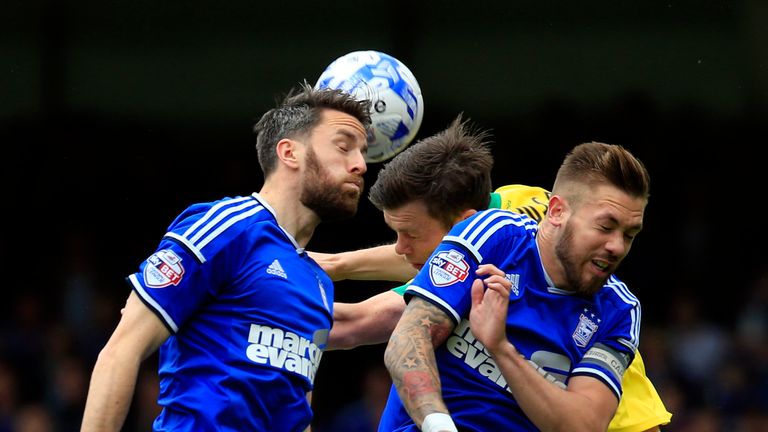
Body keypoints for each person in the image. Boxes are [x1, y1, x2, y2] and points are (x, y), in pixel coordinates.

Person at [313, 127, 669, 431]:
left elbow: (579, 425)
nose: (617, 246)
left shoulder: (619, 310)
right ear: (556, 211)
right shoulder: (493, 233)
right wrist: (334, 263)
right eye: (606, 227)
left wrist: (499, 347)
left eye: (630, 234)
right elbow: (404, 333)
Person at [79, 81, 372, 432]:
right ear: (289, 153)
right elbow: (121, 351)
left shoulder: (317, 284)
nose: (360, 165)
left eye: (363, 153)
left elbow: (295, 415)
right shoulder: (226, 228)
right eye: (344, 147)